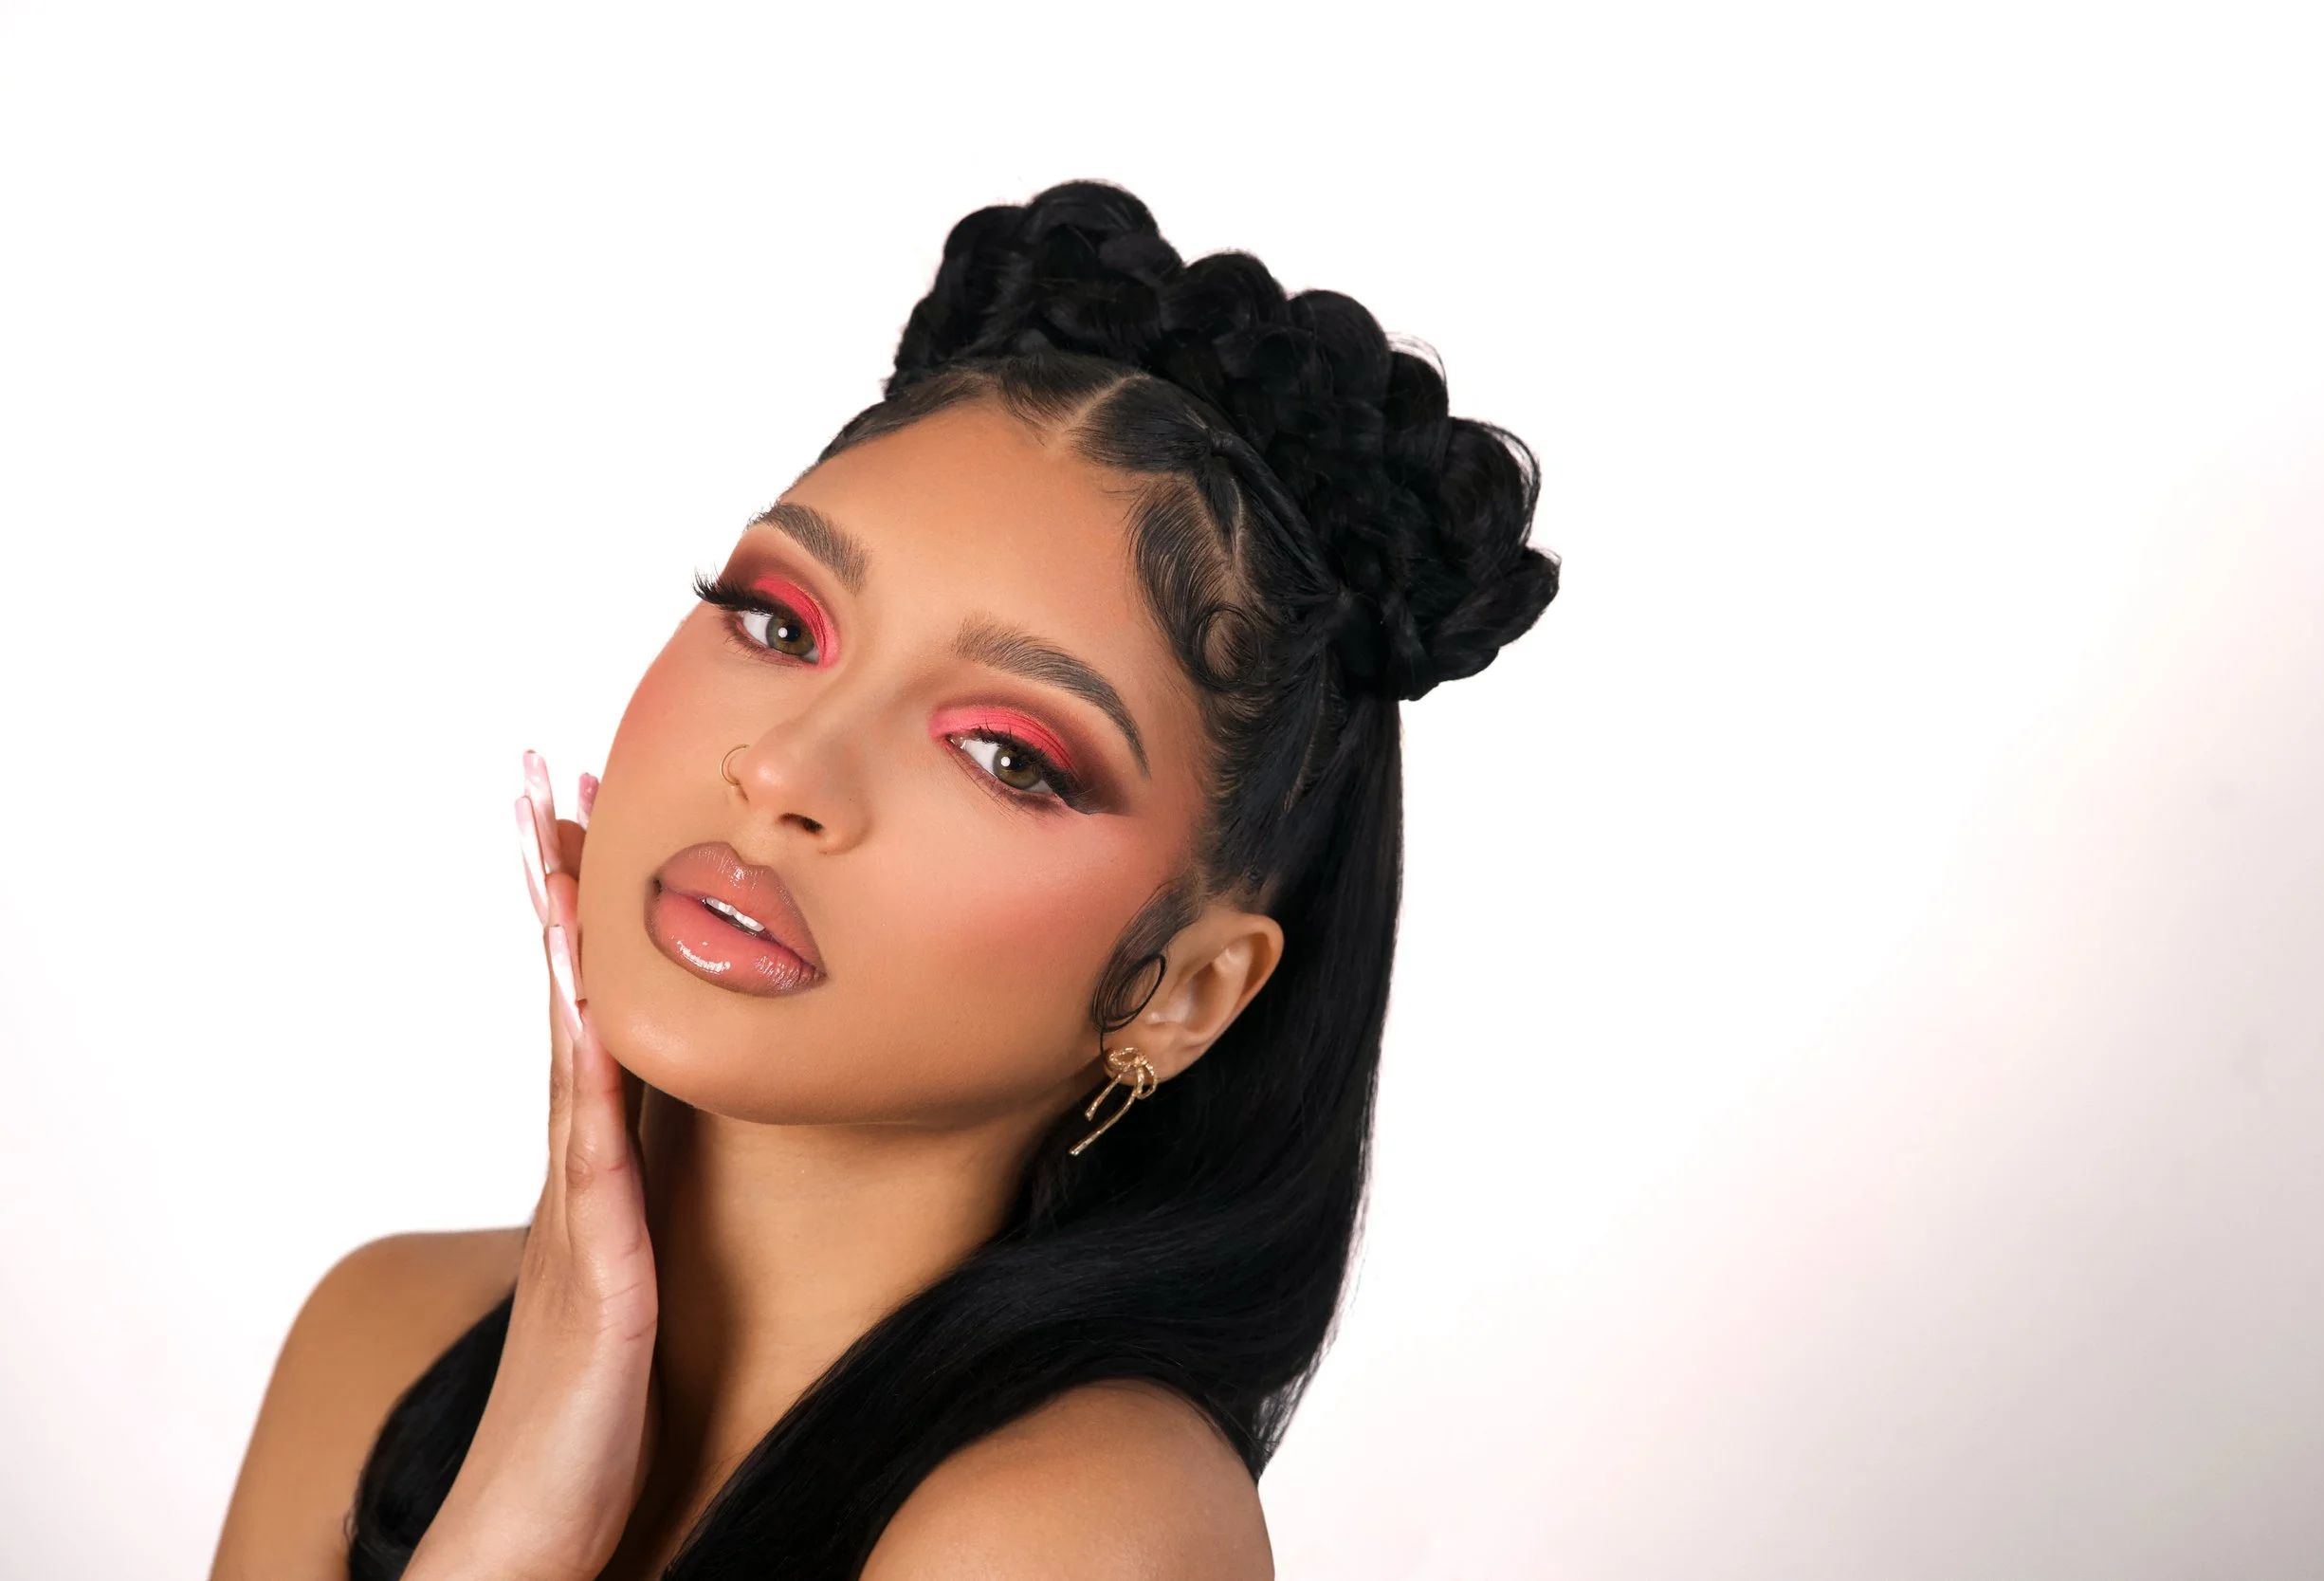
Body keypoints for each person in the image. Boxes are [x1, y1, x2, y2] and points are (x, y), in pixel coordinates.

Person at [209, 179, 1558, 1581]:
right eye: (779, 619)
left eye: (1006, 755)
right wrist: (521, 1470)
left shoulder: (1085, 1525)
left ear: (1185, 994)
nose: (788, 767)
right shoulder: (376, 1335)